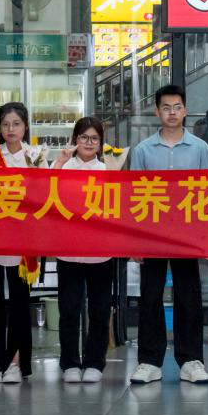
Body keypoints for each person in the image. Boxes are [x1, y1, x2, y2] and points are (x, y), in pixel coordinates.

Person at [127, 84, 208, 386]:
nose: (172, 113)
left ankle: (191, 360)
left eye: (177, 107)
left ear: (185, 110)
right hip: (152, 235)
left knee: (188, 296)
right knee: (150, 296)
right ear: (157, 112)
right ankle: (149, 362)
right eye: (166, 107)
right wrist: (135, 242)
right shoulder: (143, 150)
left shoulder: (201, 149)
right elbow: (134, 199)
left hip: (187, 236)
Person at [0, 102, 47, 384]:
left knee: (19, 303)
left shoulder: (36, 155)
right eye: (5, 124)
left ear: (25, 126)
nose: (10, 129)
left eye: (16, 124)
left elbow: (46, 194)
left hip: (22, 240)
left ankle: (15, 363)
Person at [53, 117, 115, 383]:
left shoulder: (108, 168)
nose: (89, 143)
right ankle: (69, 362)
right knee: (69, 310)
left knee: (100, 311)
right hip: (68, 250)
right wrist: (58, 164)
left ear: (101, 143)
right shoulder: (63, 167)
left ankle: (94, 362)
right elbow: (43, 193)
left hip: (101, 251)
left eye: (94, 138)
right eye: (83, 137)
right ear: (74, 139)